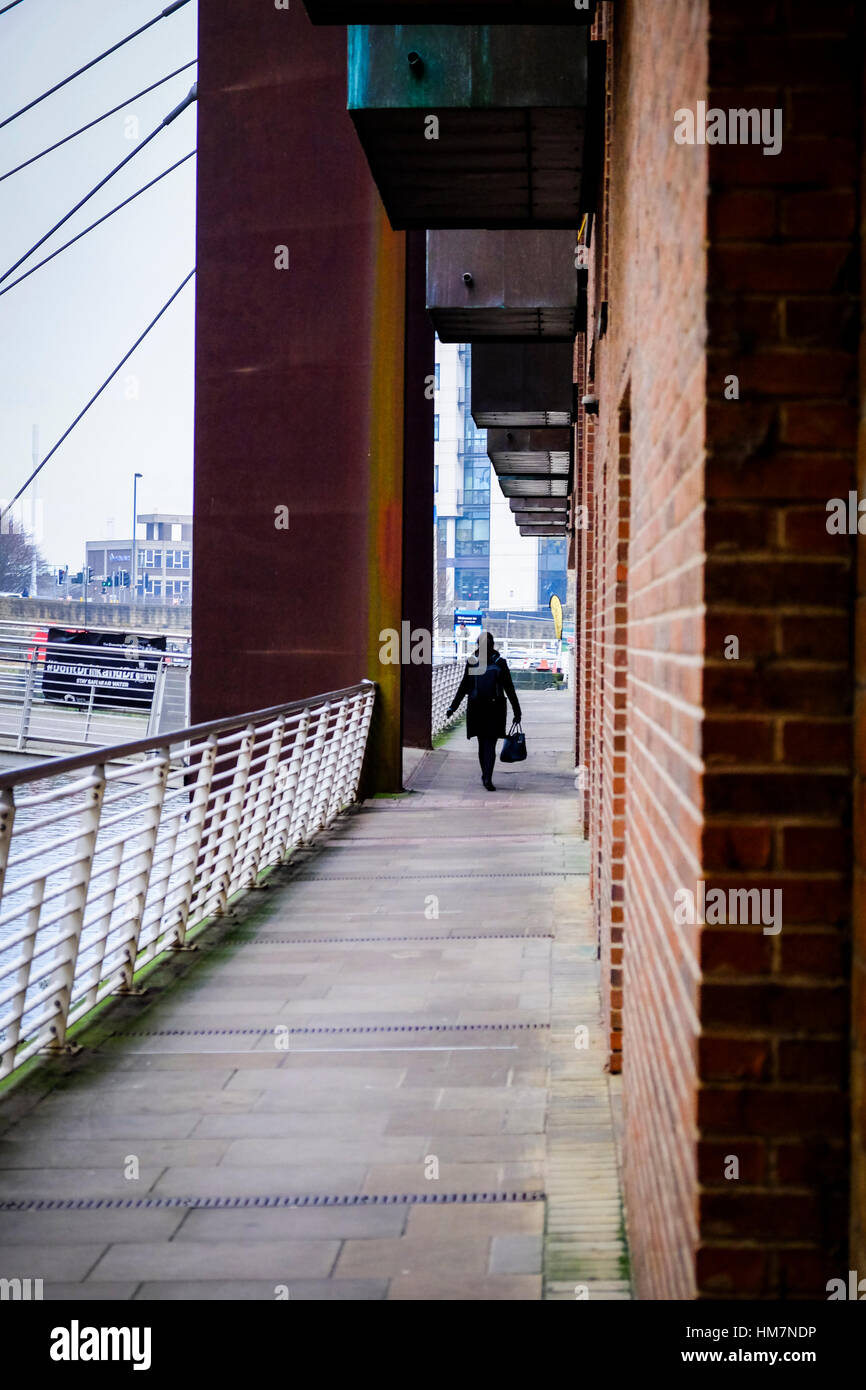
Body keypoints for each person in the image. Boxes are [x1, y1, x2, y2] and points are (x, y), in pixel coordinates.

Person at [445, 631, 522, 791]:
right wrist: (517, 711)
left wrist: (453, 706)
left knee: (482, 743)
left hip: (476, 707)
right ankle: (488, 777)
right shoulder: (500, 662)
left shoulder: (472, 661)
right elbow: (509, 688)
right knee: (490, 744)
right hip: (495, 708)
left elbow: (464, 686)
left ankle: (485, 775)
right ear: (493, 645)